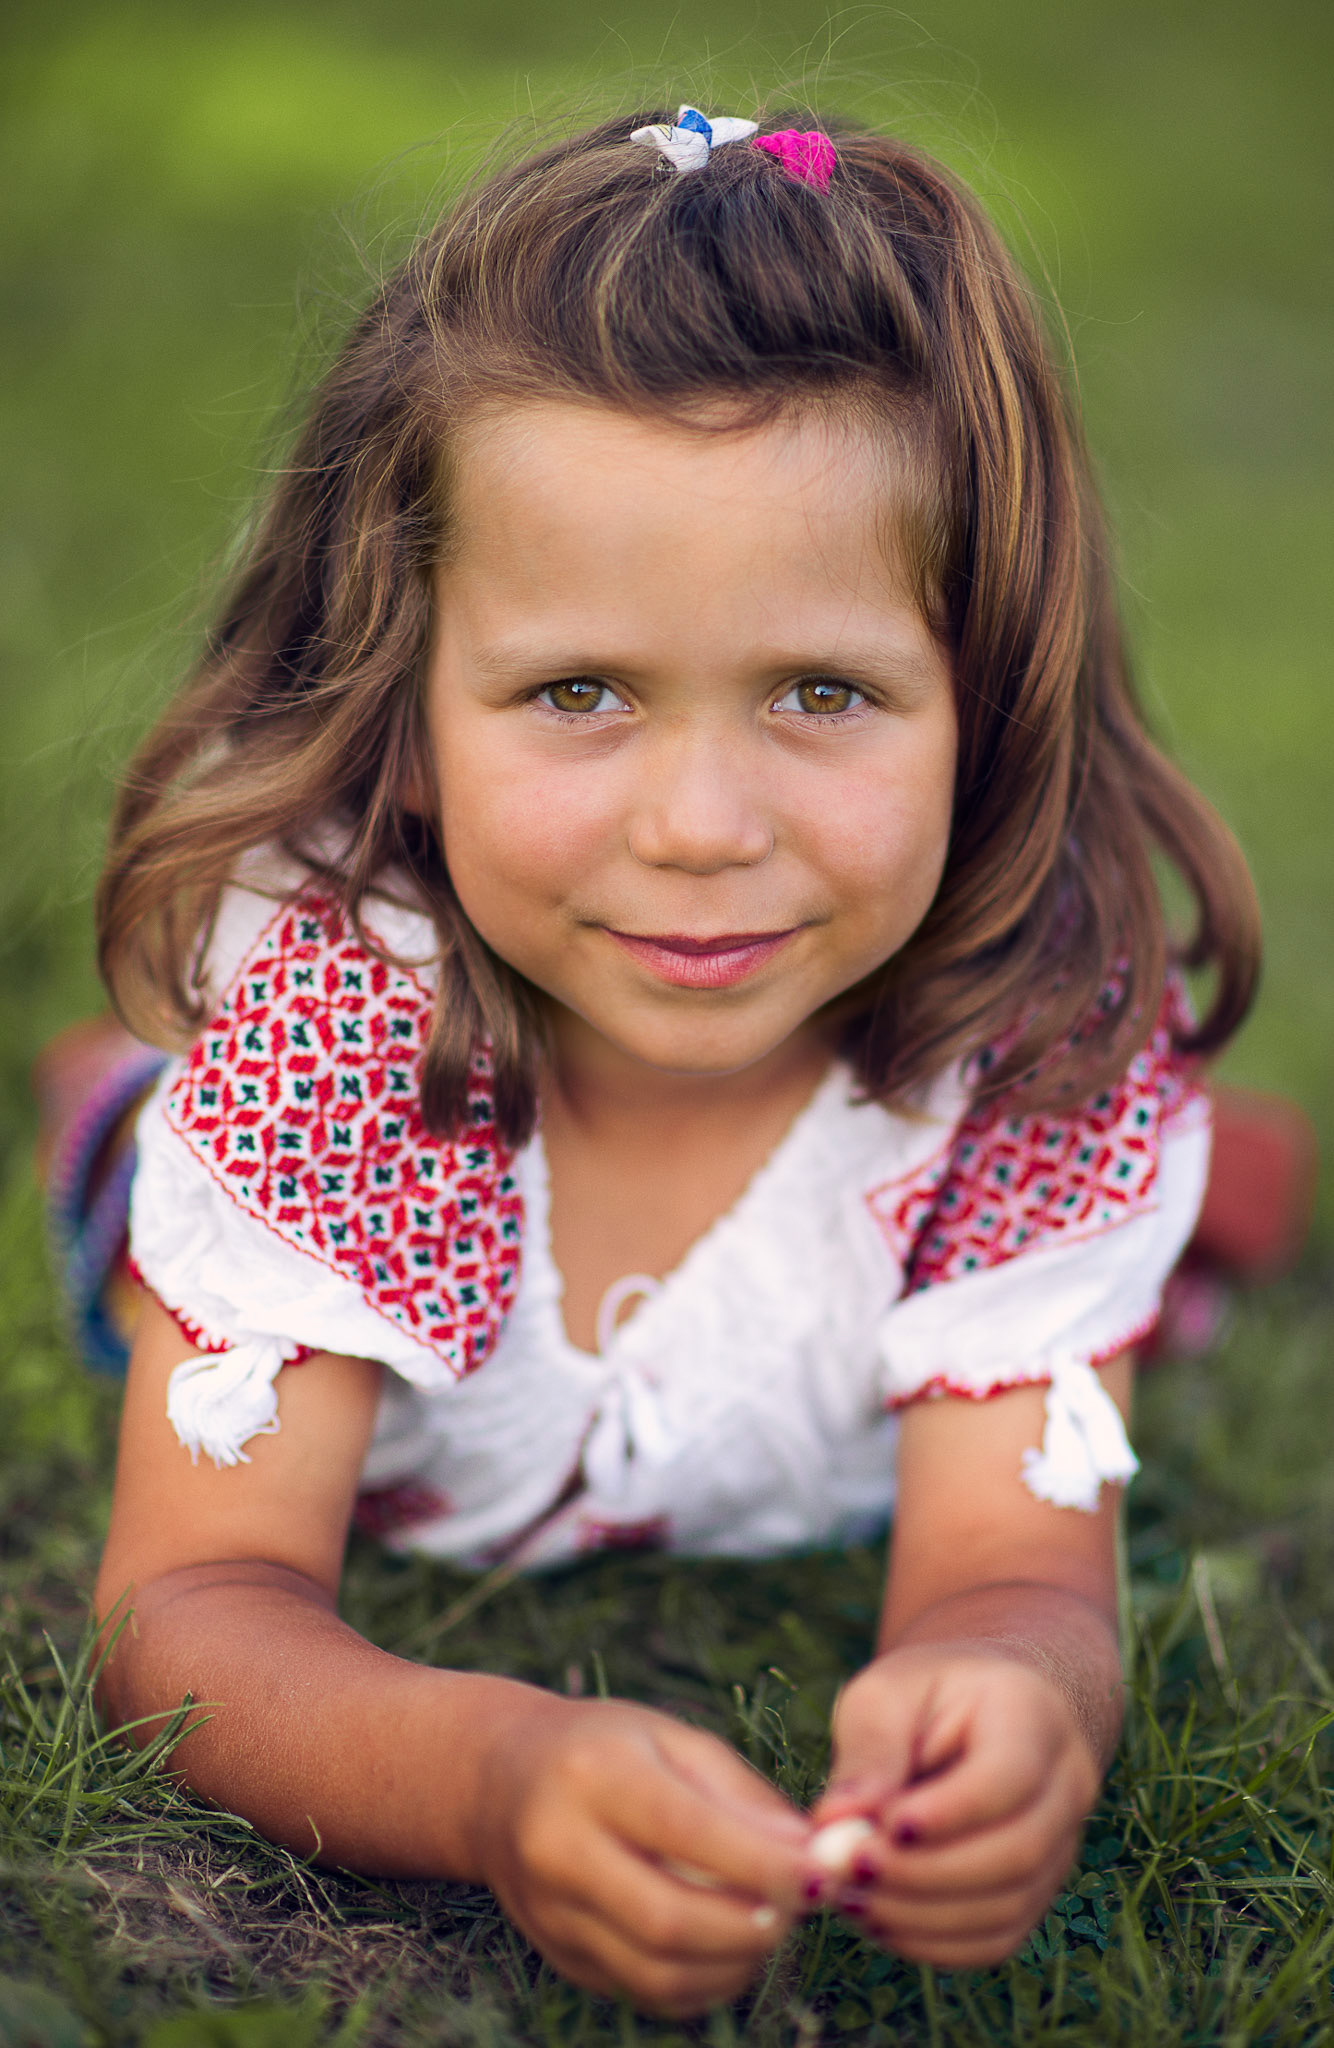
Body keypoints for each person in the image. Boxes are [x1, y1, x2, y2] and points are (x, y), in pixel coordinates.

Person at [86, 105, 1267, 2016]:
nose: (703, 825)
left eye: (823, 691)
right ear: (406, 694)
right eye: (578, 694)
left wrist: (1010, 1692)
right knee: (114, 1131)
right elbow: (191, 1604)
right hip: (315, 1171)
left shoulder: (1042, 1032)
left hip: (903, 1183)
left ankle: (1223, 1190)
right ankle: (106, 1089)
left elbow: (1013, 1577)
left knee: (1224, 1186)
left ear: (986, 683)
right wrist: (491, 1775)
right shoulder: (340, 1034)